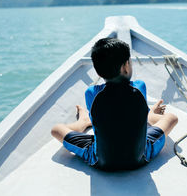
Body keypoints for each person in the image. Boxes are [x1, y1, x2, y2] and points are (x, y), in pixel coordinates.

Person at [51, 37, 178, 171]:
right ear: (125, 67)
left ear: (98, 71)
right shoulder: (140, 87)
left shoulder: (91, 93)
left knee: (57, 129)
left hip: (101, 161)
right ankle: (150, 115)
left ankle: (83, 122)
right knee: (171, 118)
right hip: (140, 158)